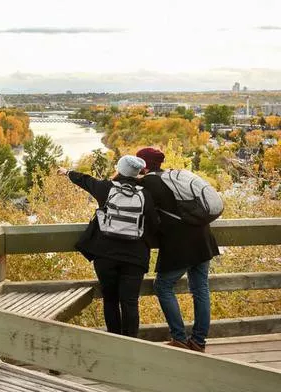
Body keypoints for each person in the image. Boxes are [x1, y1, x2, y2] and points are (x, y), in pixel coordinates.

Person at [59, 155, 159, 337]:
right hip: (135, 257)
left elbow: (86, 181)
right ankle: (131, 344)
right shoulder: (145, 194)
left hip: (105, 255)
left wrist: (68, 173)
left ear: (120, 170)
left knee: (110, 300)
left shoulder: (106, 188)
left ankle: (114, 341)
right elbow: (153, 224)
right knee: (130, 302)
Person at [136, 147, 220, 352]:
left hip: (180, 244)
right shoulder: (172, 178)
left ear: (144, 165)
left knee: (163, 286)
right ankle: (198, 341)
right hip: (203, 239)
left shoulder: (148, 183)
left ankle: (179, 337)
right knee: (200, 289)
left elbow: (146, 212)